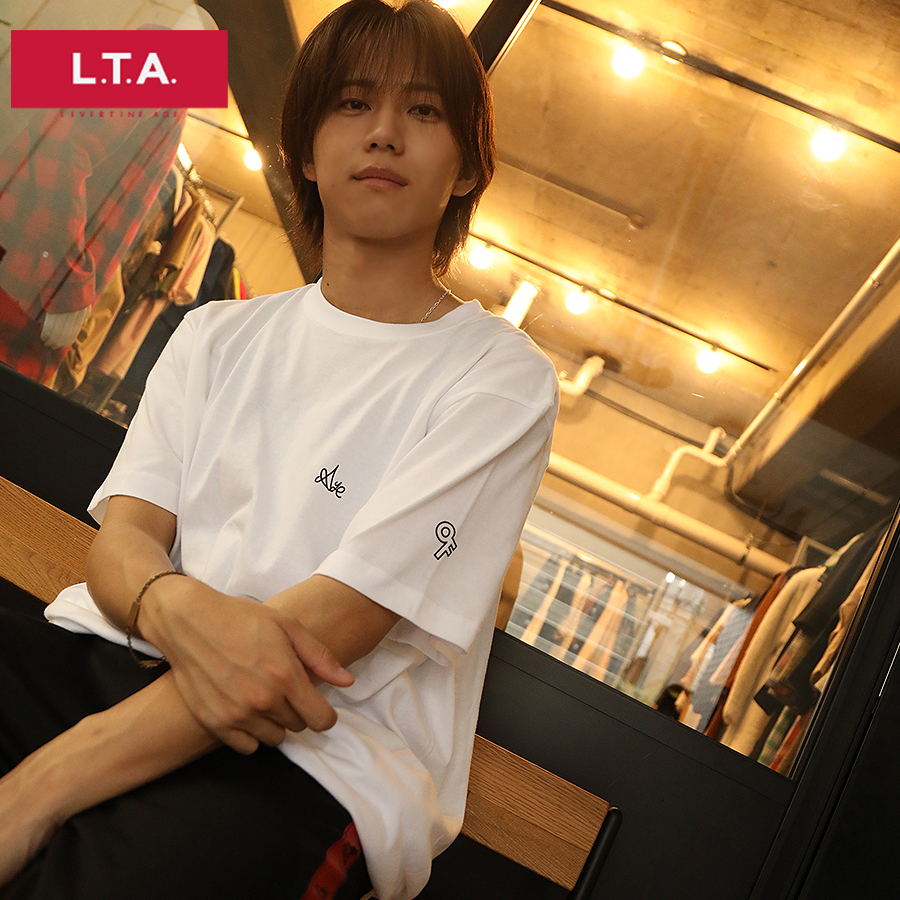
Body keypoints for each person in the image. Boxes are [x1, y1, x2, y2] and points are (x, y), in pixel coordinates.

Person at [0, 2, 559, 898]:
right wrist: (172, 603)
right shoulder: (215, 333)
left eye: (423, 111)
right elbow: (122, 542)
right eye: (352, 103)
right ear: (303, 149)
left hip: (315, 747)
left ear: (465, 167)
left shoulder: (499, 377)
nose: (384, 132)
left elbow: (325, 632)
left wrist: (37, 788)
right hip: (104, 657)